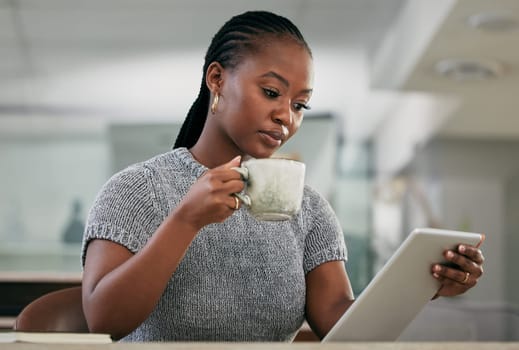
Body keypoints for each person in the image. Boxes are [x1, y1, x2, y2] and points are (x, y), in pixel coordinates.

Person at [81, 10, 485, 342]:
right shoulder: (137, 190)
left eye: (300, 105)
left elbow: (341, 328)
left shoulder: (310, 210)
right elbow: (104, 319)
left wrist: (421, 286)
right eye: (272, 93)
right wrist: (185, 220)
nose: (286, 117)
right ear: (217, 79)